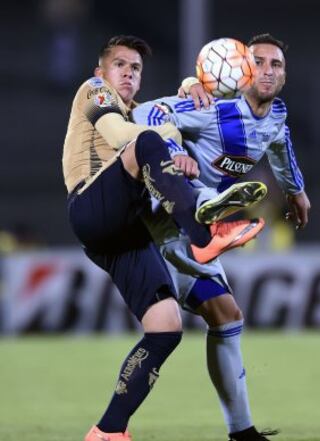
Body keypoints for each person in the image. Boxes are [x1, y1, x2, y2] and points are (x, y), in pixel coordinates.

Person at [62, 35, 266, 441]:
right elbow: (123, 135)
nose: (127, 73)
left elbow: (161, 124)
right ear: (101, 71)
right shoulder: (94, 91)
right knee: (148, 141)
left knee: (165, 328)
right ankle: (203, 230)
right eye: (119, 65)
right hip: (91, 206)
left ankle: (107, 431)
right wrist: (167, 144)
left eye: (135, 69)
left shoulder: (142, 111)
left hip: (124, 233)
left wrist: (189, 92)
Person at [132, 33, 311, 441]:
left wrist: (297, 192)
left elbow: (281, 150)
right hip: (162, 225)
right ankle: (204, 203)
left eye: (276, 65)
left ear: (284, 75)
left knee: (226, 316)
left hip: (193, 238)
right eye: (259, 62)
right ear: (243, 69)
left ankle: (241, 432)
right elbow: (146, 112)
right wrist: (172, 144)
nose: (267, 71)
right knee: (169, 330)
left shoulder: (276, 116)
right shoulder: (211, 106)